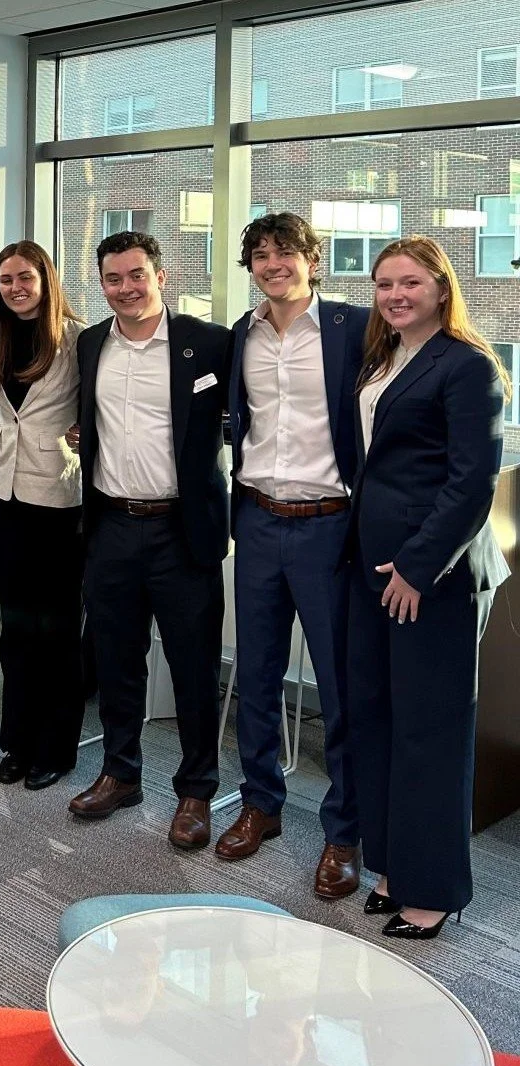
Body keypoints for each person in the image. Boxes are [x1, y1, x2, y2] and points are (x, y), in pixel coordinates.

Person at [348, 235, 509, 939]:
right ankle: (392, 864)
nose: (395, 295)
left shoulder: (467, 365)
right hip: (370, 567)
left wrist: (418, 566)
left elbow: (472, 481)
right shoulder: (384, 358)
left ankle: (434, 889)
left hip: (429, 577)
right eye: (384, 283)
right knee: (377, 719)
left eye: (410, 282)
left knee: (430, 732)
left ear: (442, 287)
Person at [221, 212, 368, 900]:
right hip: (256, 519)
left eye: (285, 252)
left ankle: (345, 829)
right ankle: (261, 803)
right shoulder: (240, 335)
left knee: (340, 684)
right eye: (260, 254)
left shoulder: (354, 327)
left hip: (329, 525)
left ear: (313, 259)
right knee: (256, 672)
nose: (272, 264)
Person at [66, 232, 230, 847]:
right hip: (110, 524)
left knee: (193, 666)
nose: (126, 288)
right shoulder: (90, 344)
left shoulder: (207, 342)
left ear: (160, 276)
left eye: (136, 275)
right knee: (116, 659)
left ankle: (196, 791)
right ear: (101, 285)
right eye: (113, 279)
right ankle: (121, 773)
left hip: (181, 530)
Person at [0, 240, 84, 791]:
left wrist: (86, 433)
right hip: (5, 495)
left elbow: (101, 406)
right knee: (16, 627)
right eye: (5, 280)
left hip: (56, 496)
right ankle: (17, 740)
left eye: (25, 278)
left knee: (57, 628)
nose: (16, 288)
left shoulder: (76, 338)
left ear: (45, 280)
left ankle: (56, 747)